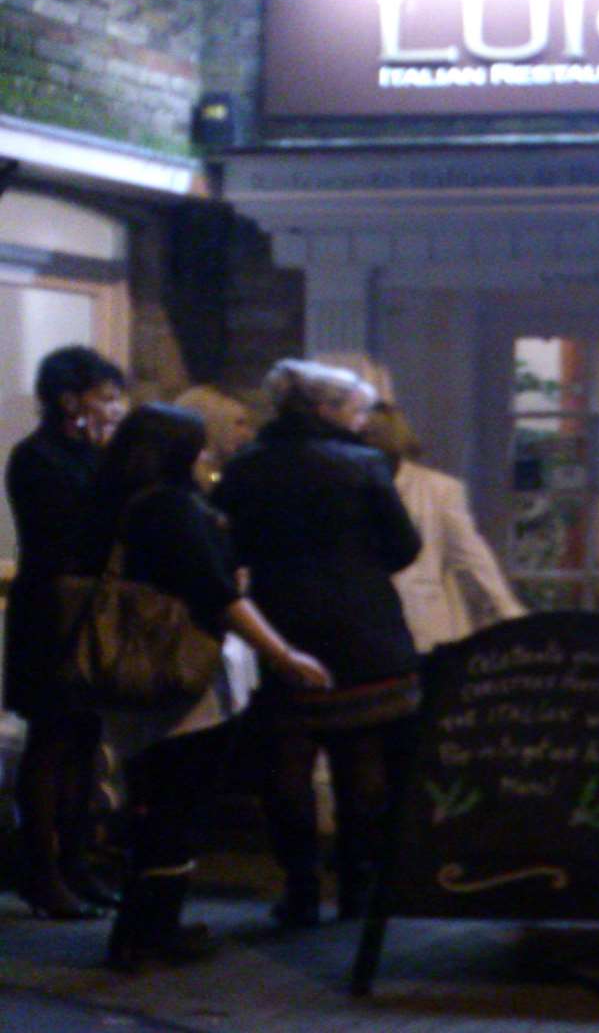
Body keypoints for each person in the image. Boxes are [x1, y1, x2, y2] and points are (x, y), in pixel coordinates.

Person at [81, 404, 330, 969]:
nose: (209, 455)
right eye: (200, 445)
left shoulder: (108, 498)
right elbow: (219, 594)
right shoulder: (172, 509)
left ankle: (144, 928)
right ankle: (147, 934)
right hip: (179, 675)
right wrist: (283, 654)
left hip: (129, 675)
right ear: (179, 451)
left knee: (155, 800)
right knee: (178, 806)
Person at [212, 359, 422, 926]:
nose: (362, 421)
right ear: (324, 410)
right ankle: (356, 886)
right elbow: (404, 547)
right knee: (361, 768)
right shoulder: (364, 464)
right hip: (364, 630)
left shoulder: (245, 468)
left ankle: (300, 885)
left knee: (286, 768)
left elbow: (229, 549)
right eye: (356, 410)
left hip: (282, 627)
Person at [5, 345, 126, 918]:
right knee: (50, 743)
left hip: (88, 610)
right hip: (50, 612)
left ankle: (78, 864)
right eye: (104, 396)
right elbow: (68, 535)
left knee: (85, 740)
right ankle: (42, 872)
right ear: (69, 399)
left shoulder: (90, 455)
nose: (113, 409)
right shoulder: (37, 458)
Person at [360, 402, 524, 652]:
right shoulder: (346, 487)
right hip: (368, 622)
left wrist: (510, 614)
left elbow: (472, 557)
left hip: (420, 623)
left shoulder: (438, 490)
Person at [171, 386, 254, 489]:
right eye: (239, 424)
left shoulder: (227, 470)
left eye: (248, 425)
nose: (247, 434)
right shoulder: (197, 478)